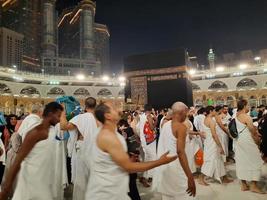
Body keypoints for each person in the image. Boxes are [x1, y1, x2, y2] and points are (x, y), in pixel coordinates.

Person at [85, 102, 177, 200]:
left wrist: (128, 157)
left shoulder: (110, 132)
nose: (118, 109)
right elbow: (129, 167)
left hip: (114, 189)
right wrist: (160, 161)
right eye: (114, 108)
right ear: (108, 116)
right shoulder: (108, 137)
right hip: (106, 193)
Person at [0, 102, 63, 200]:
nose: (59, 120)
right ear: (50, 114)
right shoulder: (35, 132)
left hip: (43, 182)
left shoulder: (51, 131)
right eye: (58, 116)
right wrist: (6, 189)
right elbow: (18, 160)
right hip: (30, 182)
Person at [154, 102, 196, 200]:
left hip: (166, 169)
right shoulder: (181, 127)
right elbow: (180, 152)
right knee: (185, 195)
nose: (187, 115)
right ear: (182, 112)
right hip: (178, 169)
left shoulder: (166, 125)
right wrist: (190, 177)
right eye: (186, 112)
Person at [60, 97, 98, 200]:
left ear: (85, 106)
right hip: (98, 153)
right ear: (96, 105)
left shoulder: (81, 118)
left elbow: (63, 126)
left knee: (81, 183)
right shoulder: (101, 118)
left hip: (83, 153)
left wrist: (62, 111)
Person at [235, 100, 264, 193]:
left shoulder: (237, 116)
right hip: (248, 141)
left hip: (240, 141)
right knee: (256, 160)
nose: (249, 107)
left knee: (242, 160)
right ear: (244, 106)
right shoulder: (247, 117)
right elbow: (253, 133)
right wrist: (258, 142)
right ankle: (253, 185)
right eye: (248, 105)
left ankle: (243, 184)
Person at [199, 106, 232, 186]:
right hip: (212, 143)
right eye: (214, 111)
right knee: (211, 161)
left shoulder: (205, 119)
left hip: (208, 142)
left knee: (219, 159)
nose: (216, 112)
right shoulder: (211, 121)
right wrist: (220, 146)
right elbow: (214, 135)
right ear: (211, 111)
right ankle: (201, 177)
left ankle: (224, 177)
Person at [139, 104, 158, 185]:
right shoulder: (149, 116)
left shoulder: (142, 116)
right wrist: (156, 120)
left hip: (144, 139)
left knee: (147, 157)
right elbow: (152, 128)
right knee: (152, 157)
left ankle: (146, 175)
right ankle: (149, 176)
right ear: (150, 110)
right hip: (150, 140)